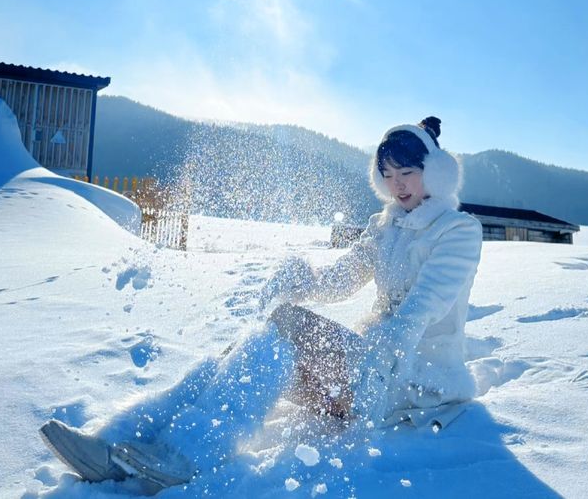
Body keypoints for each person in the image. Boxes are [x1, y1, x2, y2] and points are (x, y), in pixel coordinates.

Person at [40, 116, 482, 491]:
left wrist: (376, 358)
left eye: (407, 171)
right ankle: (118, 442)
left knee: (286, 326)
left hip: (413, 384)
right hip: (368, 373)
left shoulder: (457, 231)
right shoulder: (386, 227)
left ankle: (186, 457)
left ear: (435, 172)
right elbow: (339, 281)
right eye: (387, 174)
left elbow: (422, 308)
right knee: (251, 351)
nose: (396, 184)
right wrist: (303, 280)